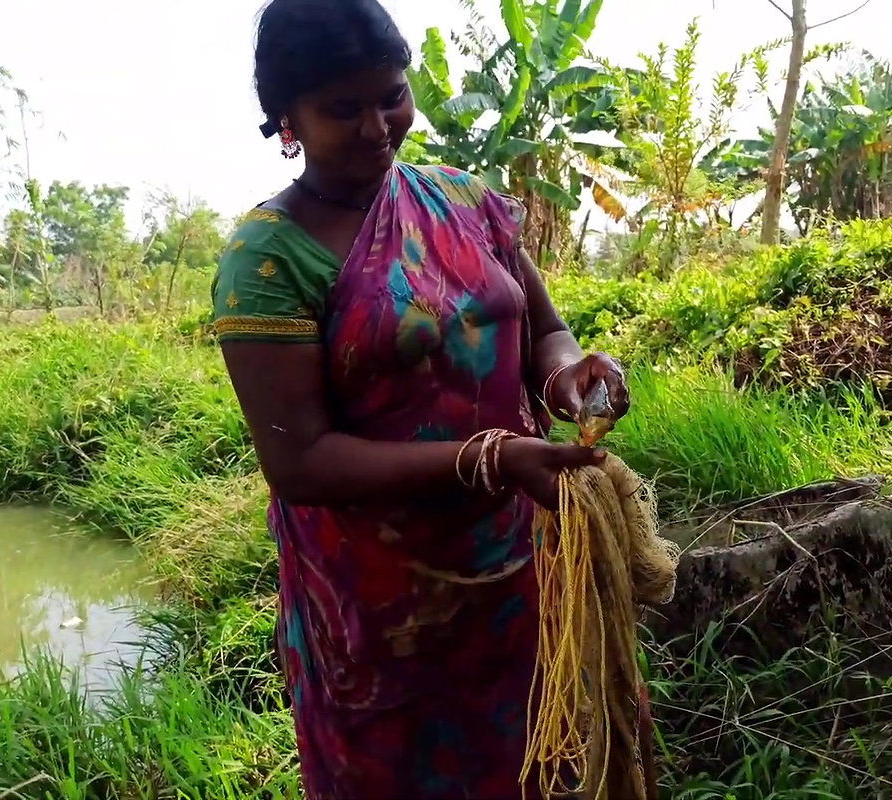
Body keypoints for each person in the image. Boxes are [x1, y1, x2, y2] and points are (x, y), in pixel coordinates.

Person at [211, 0, 648, 797]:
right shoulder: (267, 259)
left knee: (533, 754)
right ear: (287, 118)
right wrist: (493, 458)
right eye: (344, 108)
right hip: (382, 608)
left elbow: (542, 329)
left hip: (517, 567)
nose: (378, 126)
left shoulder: (463, 199)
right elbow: (300, 462)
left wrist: (569, 373)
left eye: (392, 95)